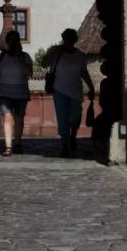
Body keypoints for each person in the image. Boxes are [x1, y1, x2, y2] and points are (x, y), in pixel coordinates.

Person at [43, 28, 95, 157]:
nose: (68, 42)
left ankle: (73, 136)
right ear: (63, 39)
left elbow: (84, 72)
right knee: (62, 118)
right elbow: (44, 63)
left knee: (76, 117)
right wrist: (54, 52)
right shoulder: (56, 53)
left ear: (74, 41)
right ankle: (65, 142)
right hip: (59, 90)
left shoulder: (80, 55)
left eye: (70, 40)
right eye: (66, 39)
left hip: (75, 91)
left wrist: (91, 87)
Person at [0, 28, 33, 156]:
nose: (14, 43)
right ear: (8, 42)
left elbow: (29, 73)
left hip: (21, 92)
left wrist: (19, 59)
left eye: (16, 40)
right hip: (5, 92)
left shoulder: (25, 56)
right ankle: (8, 146)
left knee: (19, 119)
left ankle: (18, 143)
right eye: (11, 40)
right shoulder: (1, 57)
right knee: (7, 117)